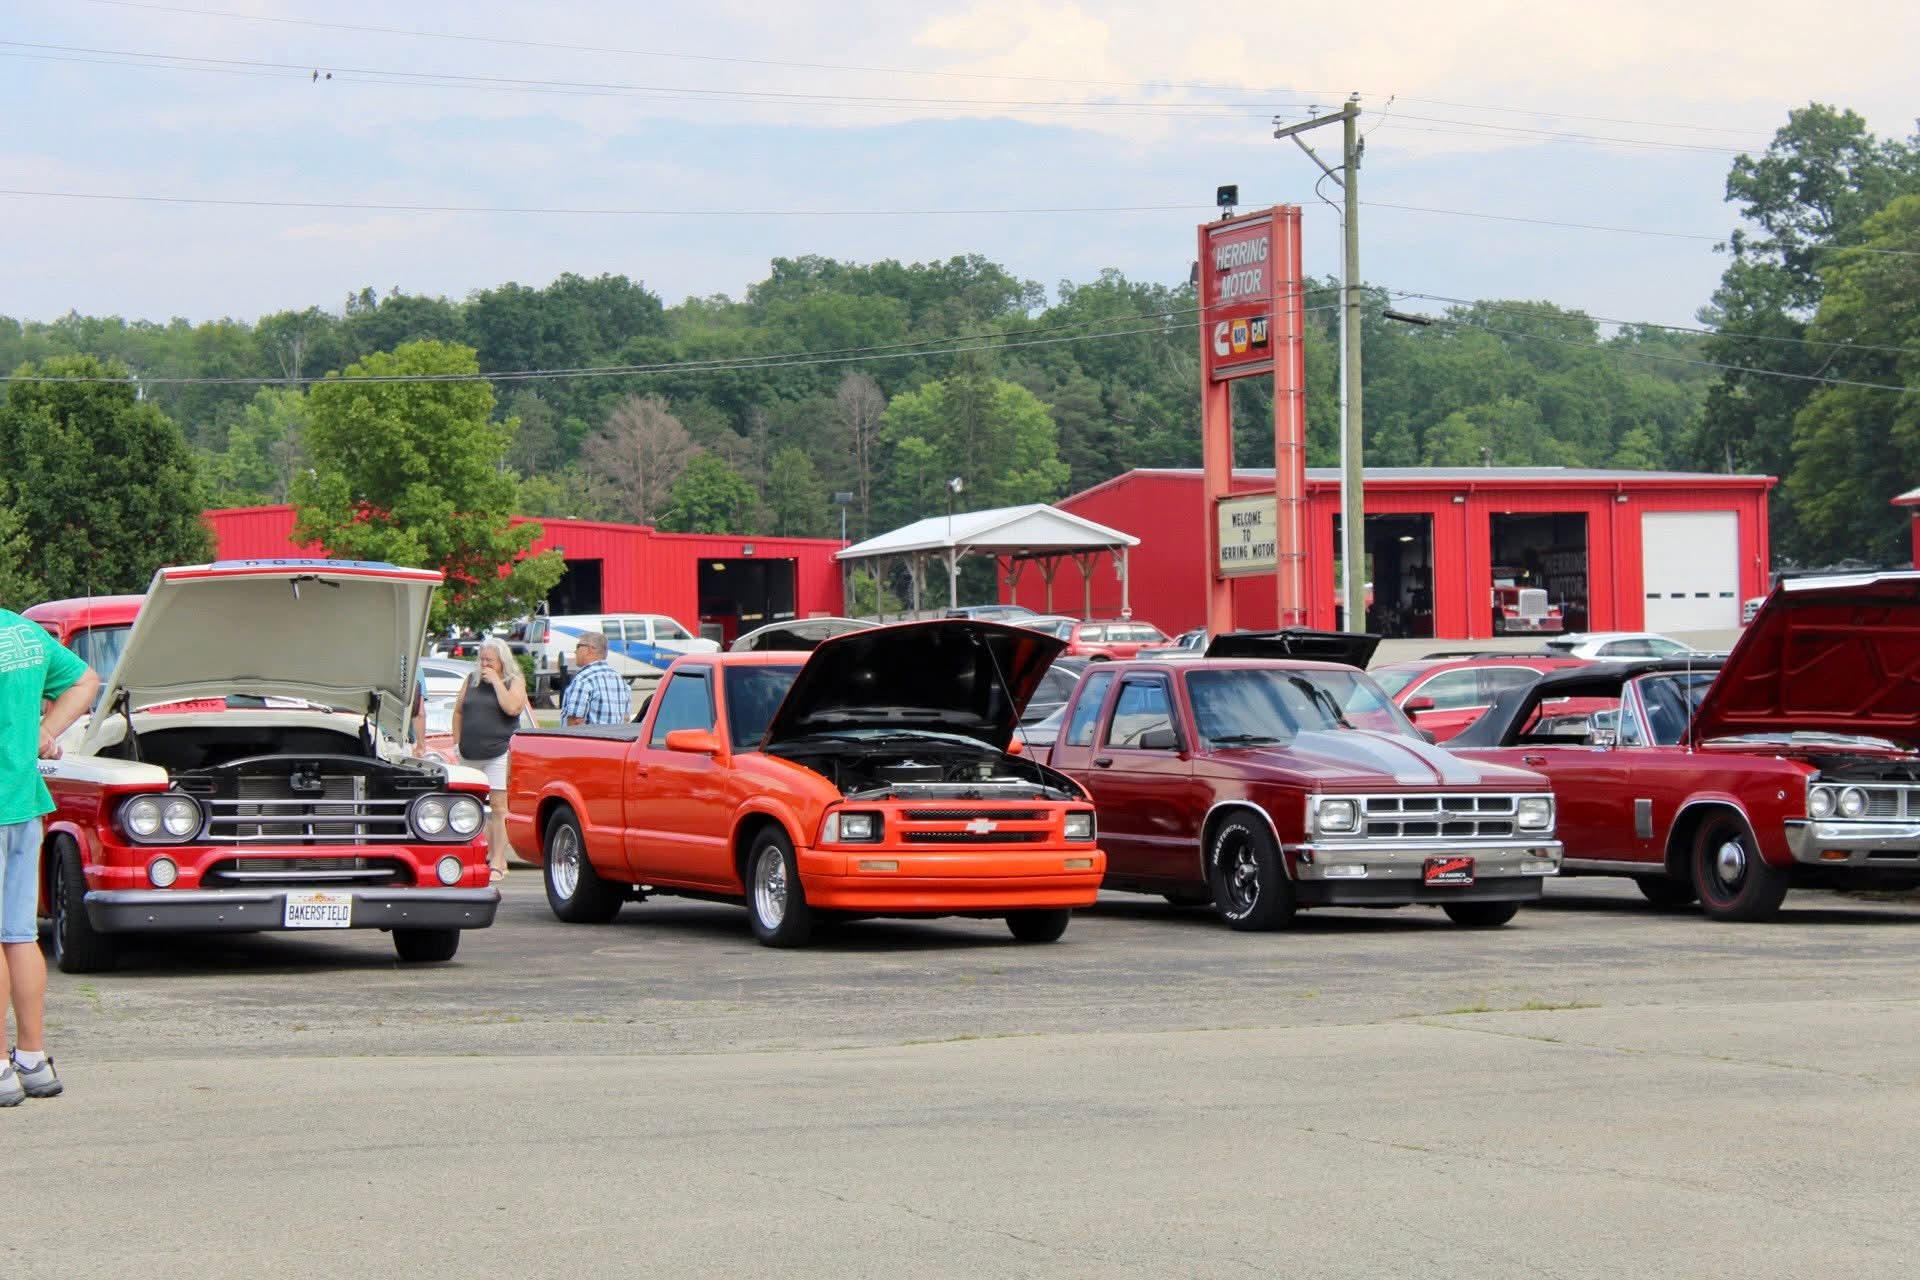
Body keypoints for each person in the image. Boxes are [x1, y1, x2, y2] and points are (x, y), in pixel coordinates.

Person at [0, 609, 100, 1106]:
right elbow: (86, 679)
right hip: (22, 803)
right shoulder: (21, 632)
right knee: (17, 935)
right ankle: (32, 1060)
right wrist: (46, 731)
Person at [449, 636, 526, 884]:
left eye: (490, 660)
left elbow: (512, 708)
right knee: (471, 806)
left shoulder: (513, 681)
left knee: (498, 807)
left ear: (502, 662)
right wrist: (456, 743)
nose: (484, 664)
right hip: (469, 753)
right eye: (482, 659)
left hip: (499, 752)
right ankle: (475, 856)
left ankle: (498, 860)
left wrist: (495, 683)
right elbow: (459, 710)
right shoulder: (470, 681)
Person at [559, 631, 628, 726]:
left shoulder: (584, 679)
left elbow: (575, 721)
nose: (575, 651)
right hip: (614, 739)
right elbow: (625, 718)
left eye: (578, 646)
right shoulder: (620, 680)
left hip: (589, 739)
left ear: (590, 649)